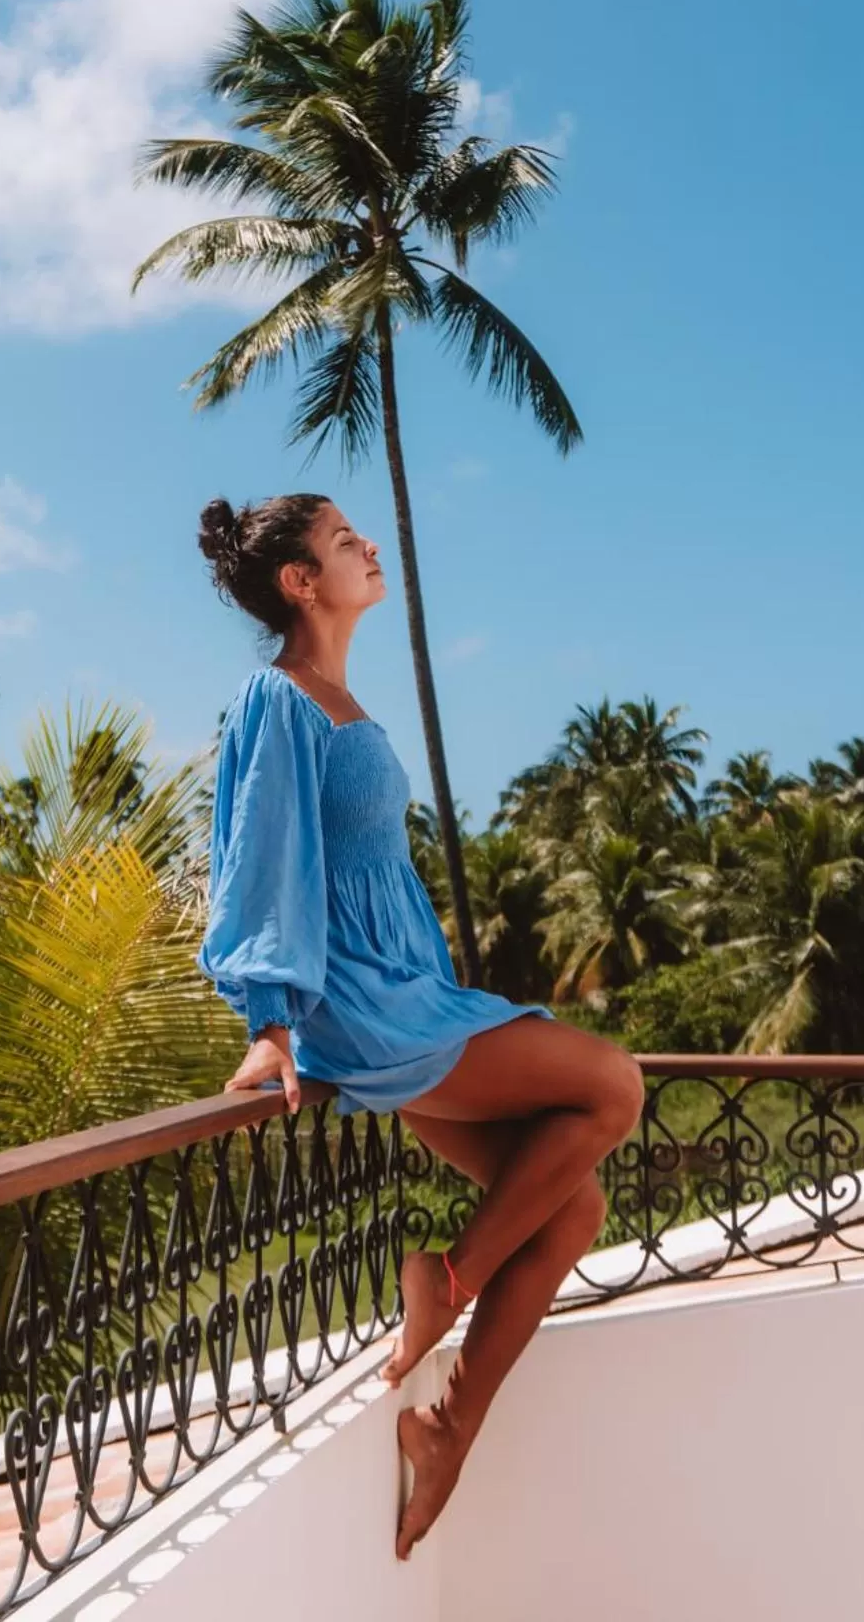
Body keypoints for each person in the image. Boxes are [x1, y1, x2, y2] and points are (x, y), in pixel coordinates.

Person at [196, 492, 644, 1560]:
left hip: (413, 990)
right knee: (613, 1085)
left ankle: (447, 1427)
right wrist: (271, 1021)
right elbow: (257, 856)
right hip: (358, 1002)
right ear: (301, 582)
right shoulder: (279, 697)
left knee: (573, 1206)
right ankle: (446, 1279)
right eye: (343, 538)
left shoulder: (348, 703)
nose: (366, 544)